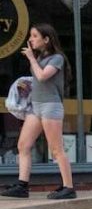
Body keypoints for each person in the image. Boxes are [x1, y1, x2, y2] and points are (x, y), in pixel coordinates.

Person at [1, 24, 76, 199]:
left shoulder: (57, 58)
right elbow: (38, 80)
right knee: (23, 145)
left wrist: (31, 59)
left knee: (56, 149)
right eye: (31, 36)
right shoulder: (41, 57)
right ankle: (22, 185)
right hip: (36, 106)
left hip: (51, 106)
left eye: (35, 36)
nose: (31, 40)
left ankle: (68, 187)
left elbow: (43, 76)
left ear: (46, 39)